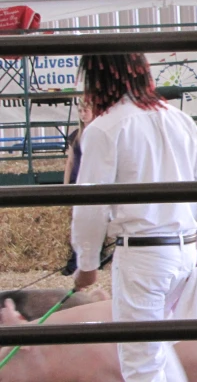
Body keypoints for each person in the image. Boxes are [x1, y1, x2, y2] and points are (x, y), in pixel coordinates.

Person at [71, 53, 197, 382]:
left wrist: (87, 264)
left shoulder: (105, 128)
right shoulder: (180, 120)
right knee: (159, 351)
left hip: (144, 257)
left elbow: (89, 205)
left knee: (142, 362)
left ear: (99, 80)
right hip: (184, 253)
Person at [61, 101, 109, 276]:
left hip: (93, 182)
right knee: (79, 221)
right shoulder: (75, 136)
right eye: (80, 111)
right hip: (78, 182)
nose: (83, 114)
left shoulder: (100, 134)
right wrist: (65, 185)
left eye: (86, 110)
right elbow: (71, 161)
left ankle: (95, 260)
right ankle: (76, 262)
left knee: (96, 220)